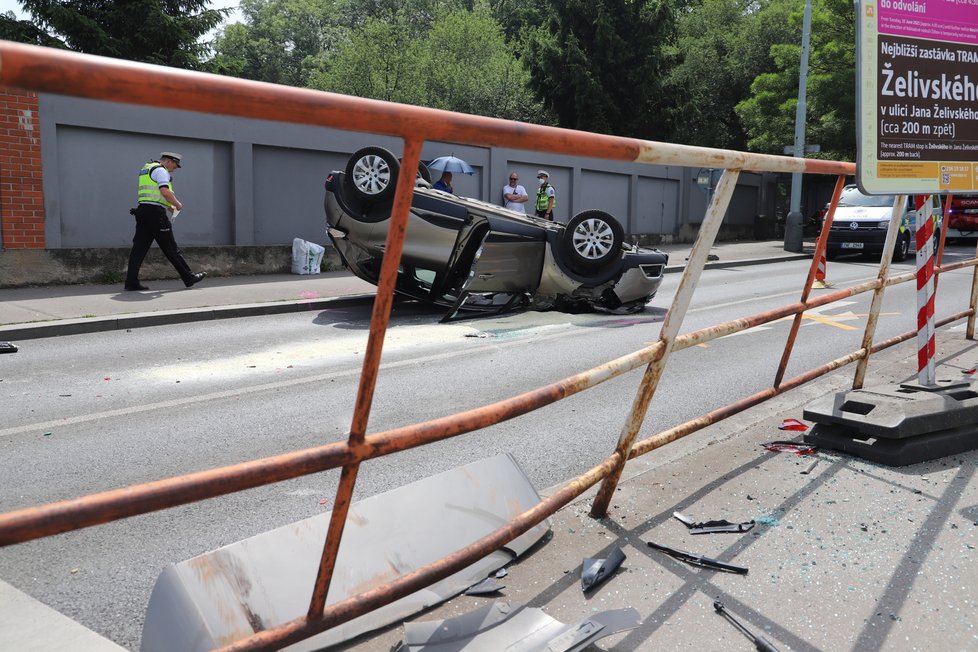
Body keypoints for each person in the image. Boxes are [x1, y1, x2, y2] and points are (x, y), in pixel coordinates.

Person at [125, 152, 206, 291]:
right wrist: (178, 204)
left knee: (138, 249)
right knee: (171, 248)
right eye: (175, 165)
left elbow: (152, 195)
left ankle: (131, 282)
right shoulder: (161, 170)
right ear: (168, 161)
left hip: (143, 211)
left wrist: (169, 206)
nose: (174, 169)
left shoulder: (147, 168)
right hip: (155, 215)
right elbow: (164, 191)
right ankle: (189, 277)